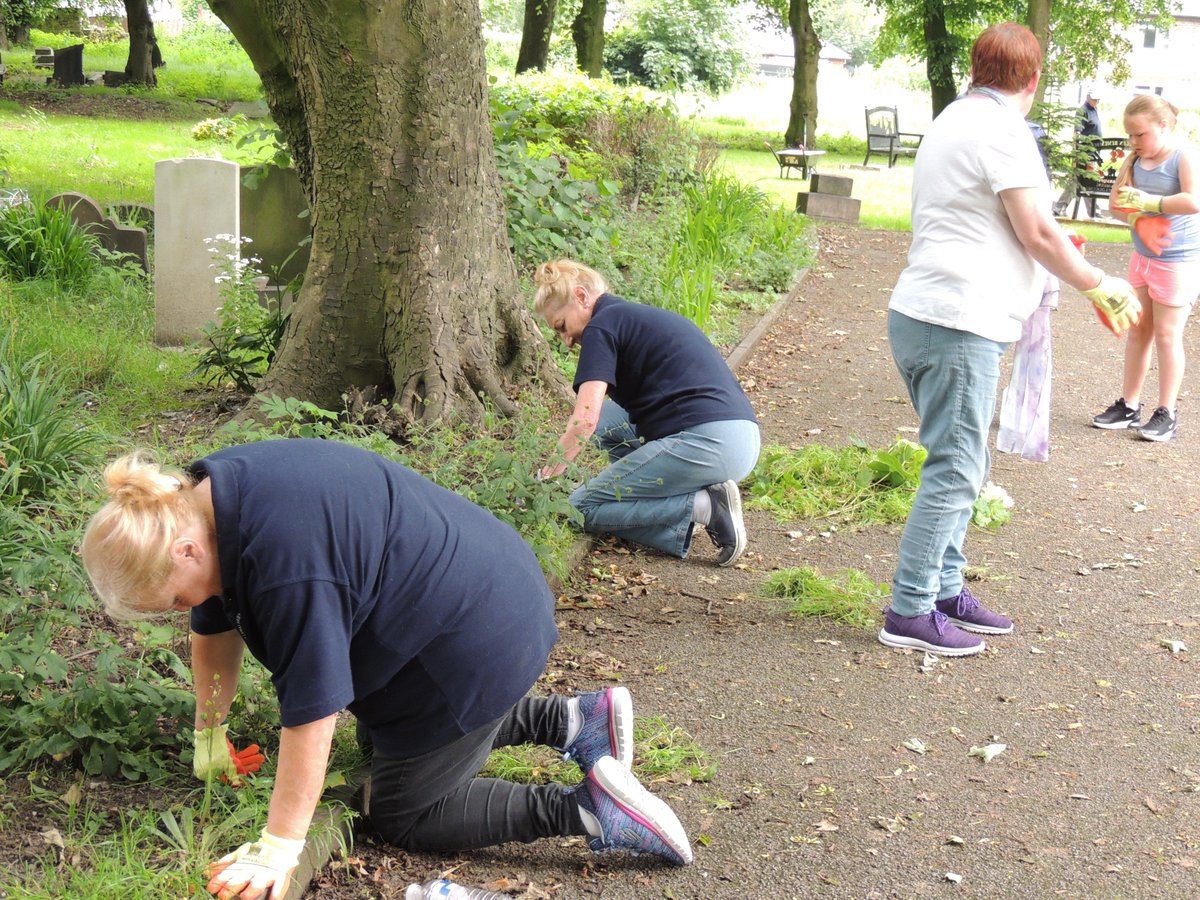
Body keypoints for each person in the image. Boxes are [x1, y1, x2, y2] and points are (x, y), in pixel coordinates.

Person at [81, 439, 693, 900]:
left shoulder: (283, 562)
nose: (184, 611)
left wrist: (278, 849)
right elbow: (213, 625)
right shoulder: (204, 501)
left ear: (184, 552)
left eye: (174, 600)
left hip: (475, 637)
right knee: (380, 738)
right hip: (486, 589)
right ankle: (572, 718)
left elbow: (312, 711)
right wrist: (207, 732)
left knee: (402, 809)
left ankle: (588, 808)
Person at [881, 22, 1141, 657]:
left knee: (961, 458)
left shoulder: (953, 117)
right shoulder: (1003, 130)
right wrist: (1100, 283)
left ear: (975, 68)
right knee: (957, 467)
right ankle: (909, 609)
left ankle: (944, 589)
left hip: (927, 312)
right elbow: (1039, 233)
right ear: (1032, 78)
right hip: (959, 322)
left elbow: (995, 220)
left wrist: (1057, 250)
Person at [533, 259, 761, 567]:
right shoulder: (630, 317)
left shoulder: (601, 327)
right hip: (740, 438)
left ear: (582, 297)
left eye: (562, 326)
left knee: (578, 507)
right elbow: (598, 420)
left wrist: (546, 479)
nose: (566, 340)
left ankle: (704, 506)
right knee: (608, 422)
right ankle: (672, 503)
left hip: (708, 442)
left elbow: (584, 418)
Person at [1092, 94, 1200, 442]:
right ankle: (1129, 405)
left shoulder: (1184, 155)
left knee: (1168, 335)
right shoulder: (1135, 159)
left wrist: (1152, 203)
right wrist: (1138, 218)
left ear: (1163, 126)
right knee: (1138, 330)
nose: (1134, 142)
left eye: (1140, 134)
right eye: (1129, 135)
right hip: (1143, 257)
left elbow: (1194, 200)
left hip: (1178, 261)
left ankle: (1166, 412)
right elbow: (1115, 203)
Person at [1055, 86, 1105, 216]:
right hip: (1085, 154)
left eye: (1097, 99)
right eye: (1094, 99)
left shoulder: (1094, 110)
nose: (1096, 101)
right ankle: (1093, 211)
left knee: (1082, 181)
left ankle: (1060, 207)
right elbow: (1077, 132)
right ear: (1088, 98)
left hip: (1093, 154)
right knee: (1083, 180)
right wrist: (1077, 153)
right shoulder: (1083, 111)